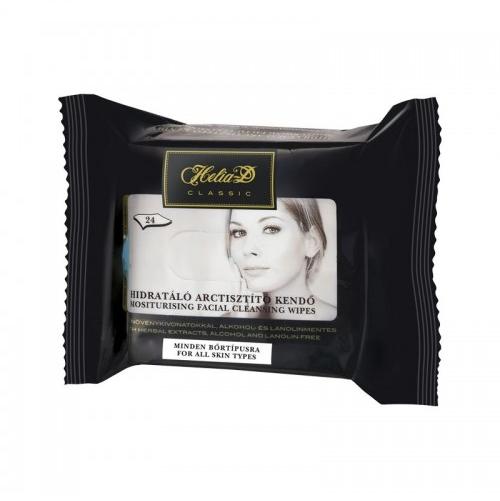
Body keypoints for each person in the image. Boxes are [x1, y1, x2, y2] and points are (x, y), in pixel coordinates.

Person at [225, 198, 336, 320]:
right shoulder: (229, 320)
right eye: (238, 232)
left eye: (271, 229)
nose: (247, 249)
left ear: (311, 242)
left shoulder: (342, 324)